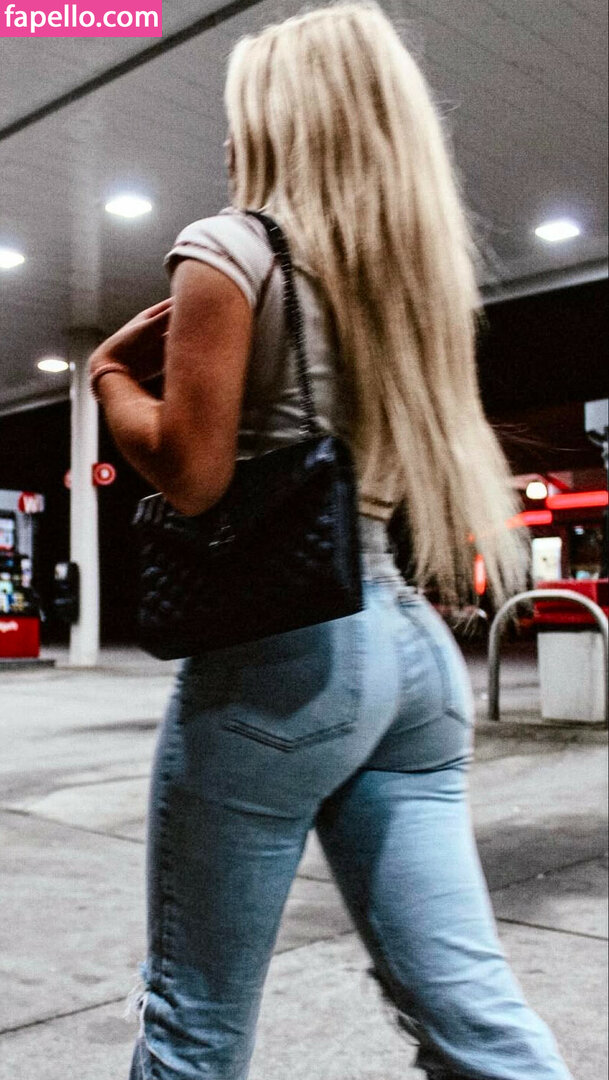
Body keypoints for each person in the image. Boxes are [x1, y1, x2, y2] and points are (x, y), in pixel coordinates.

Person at [89, 4, 573, 1078]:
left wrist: (108, 378)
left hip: (284, 664)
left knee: (193, 1023)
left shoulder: (228, 247)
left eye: (241, 110)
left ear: (281, 118)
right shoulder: (398, 284)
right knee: (478, 1024)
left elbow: (192, 472)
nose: (227, 136)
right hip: (412, 659)